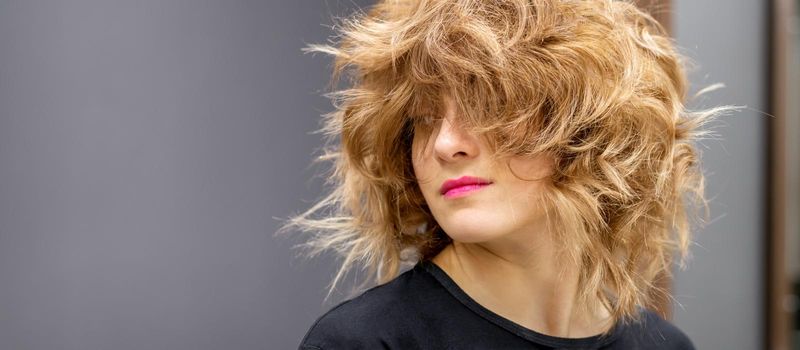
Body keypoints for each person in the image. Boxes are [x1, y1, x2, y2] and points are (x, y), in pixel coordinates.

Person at [278, 0, 731, 348]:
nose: (445, 144)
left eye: (488, 105)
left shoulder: (663, 345)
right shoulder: (368, 341)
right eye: (424, 117)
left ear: (585, 128)